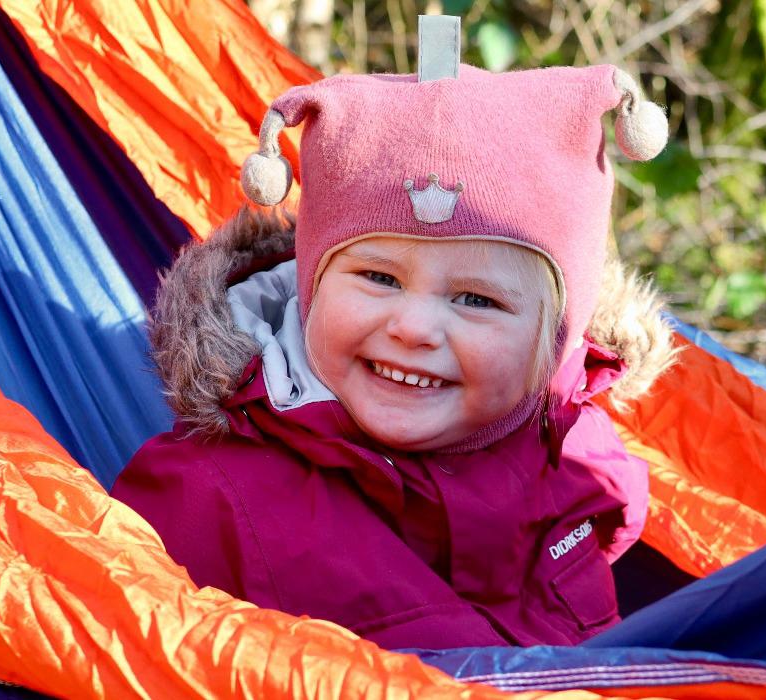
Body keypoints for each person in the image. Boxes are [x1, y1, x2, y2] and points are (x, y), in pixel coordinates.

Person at [111, 58, 677, 650]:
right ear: (311, 285)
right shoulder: (212, 495)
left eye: (475, 298)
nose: (412, 328)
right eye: (379, 278)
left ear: (556, 335)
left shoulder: (574, 455)